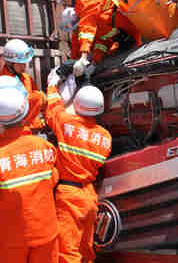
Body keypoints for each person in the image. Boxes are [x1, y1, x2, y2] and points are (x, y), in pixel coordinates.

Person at [0, 87, 60, 263]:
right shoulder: (44, 148)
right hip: (47, 233)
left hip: (13, 240)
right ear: (25, 114)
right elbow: (53, 178)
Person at [45, 69, 112, 263]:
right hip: (90, 197)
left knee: (67, 252)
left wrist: (52, 84)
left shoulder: (66, 123)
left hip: (69, 196)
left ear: (76, 104)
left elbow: (54, 107)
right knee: (86, 251)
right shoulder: (105, 137)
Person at [50, 0, 142, 76]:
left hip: (132, 26)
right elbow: (102, 39)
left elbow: (87, 29)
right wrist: (94, 62)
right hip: (122, 33)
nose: (65, 3)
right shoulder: (83, 0)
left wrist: (83, 57)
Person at [0, 39, 47, 132]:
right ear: (10, 63)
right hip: (15, 129)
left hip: (33, 125)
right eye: (21, 64)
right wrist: (39, 98)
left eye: (25, 63)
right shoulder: (1, 83)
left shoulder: (27, 78)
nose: (24, 66)